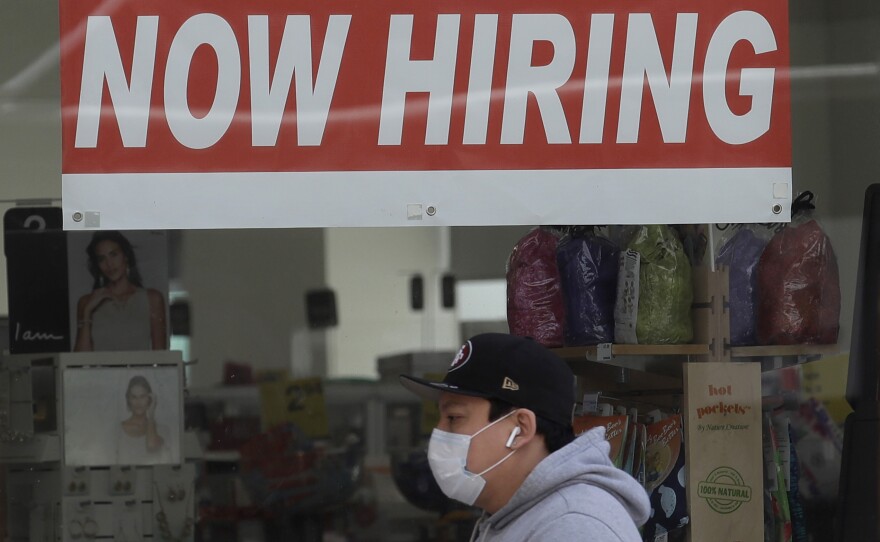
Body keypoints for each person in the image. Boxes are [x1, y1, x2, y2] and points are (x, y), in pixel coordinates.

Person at [400, 333, 650, 541]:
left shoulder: (572, 527)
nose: (440, 433)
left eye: (454, 418)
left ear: (520, 429)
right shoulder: (518, 516)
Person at [73, 231, 167, 352]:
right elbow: (80, 363)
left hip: (140, 371)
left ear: (125, 256)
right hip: (100, 371)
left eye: (114, 255)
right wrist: (87, 312)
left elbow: (161, 357)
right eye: (102, 259)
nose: (109, 264)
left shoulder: (152, 298)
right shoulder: (86, 302)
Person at [116, 375, 171, 464]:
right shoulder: (117, 430)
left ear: (149, 399)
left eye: (142, 396)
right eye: (134, 397)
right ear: (128, 399)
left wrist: (151, 414)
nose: (138, 402)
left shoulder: (163, 430)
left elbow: (152, 446)